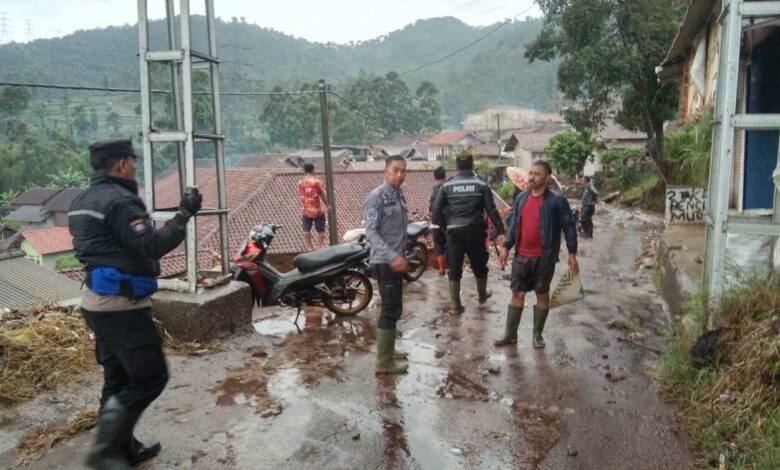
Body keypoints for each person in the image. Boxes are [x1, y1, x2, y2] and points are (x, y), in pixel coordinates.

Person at [69, 139, 202, 469]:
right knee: (149, 377)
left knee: (118, 379)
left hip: (96, 304)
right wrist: (184, 213)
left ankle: (124, 446)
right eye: (132, 161)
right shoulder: (120, 202)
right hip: (121, 307)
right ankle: (104, 453)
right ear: (121, 165)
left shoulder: (82, 200)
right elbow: (152, 245)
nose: (135, 168)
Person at [496, 160, 578, 349]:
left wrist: (572, 253)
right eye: (530, 173)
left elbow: (569, 226)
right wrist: (507, 246)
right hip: (521, 257)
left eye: (537, 174)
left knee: (542, 295)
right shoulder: (521, 198)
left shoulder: (557, 201)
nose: (531, 177)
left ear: (547, 178)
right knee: (517, 293)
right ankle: (510, 334)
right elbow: (515, 223)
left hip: (544, 258)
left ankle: (537, 335)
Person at [434, 153, 504, 314]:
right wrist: (500, 229)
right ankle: (482, 296)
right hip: (475, 231)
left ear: (457, 166)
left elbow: (436, 210)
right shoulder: (481, 184)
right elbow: (491, 210)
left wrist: (446, 228)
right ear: (472, 165)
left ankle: (455, 306)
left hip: (454, 232)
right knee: (479, 265)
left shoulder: (446, 186)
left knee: (454, 268)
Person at [363, 155, 410, 374]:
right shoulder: (377, 197)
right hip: (385, 261)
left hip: (395, 260)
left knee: (395, 307)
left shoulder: (399, 195)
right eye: (395, 170)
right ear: (385, 171)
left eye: (403, 170)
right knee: (390, 309)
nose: (399, 175)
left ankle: (389, 350)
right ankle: (384, 362)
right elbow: (370, 232)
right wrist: (392, 257)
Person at [297, 162, 329, 251]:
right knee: (321, 230)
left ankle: (309, 247)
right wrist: (327, 206)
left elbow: (301, 195)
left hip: (305, 210)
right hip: (316, 210)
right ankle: (320, 247)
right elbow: (322, 195)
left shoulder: (300, 183)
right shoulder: (316, 182)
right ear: (313, 170)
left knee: (306, 229)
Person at [428, 166, 447, 275]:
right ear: (445, 176)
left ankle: (441, 269)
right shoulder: (448, 188)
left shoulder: (433, 191)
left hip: (436, 221)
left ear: (435, 178)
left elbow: (431, 208)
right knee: (450, 243)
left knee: (439, 244)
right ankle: (452, 266)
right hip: (448, 220)